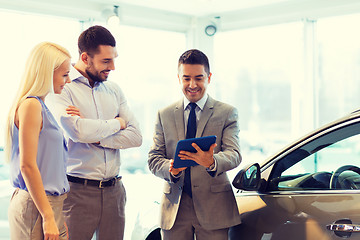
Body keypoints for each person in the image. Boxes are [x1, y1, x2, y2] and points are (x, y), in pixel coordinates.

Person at [49, 25, 142, 240]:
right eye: (106, 61)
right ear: (85, 57)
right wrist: (117, 123)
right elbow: (78, 132)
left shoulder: (114, 90)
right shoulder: (63, 87)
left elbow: (136, 136)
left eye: (114, 59)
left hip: (115, 192)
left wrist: (97, 137)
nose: (113, 67)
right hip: (77, 192)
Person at [148, 49, 242, 240]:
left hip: (214, 208)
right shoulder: (164, 114)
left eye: (199, 78)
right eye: (186, 78)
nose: (192, 85)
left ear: (209, 77)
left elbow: (234, 154)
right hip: (175, 208)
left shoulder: (227, 112)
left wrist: (211, 161)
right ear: (179, 78)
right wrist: (170, 168)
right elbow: (154, 158)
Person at [5, 42, 71, 240]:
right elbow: (27, 165)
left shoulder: (40, 105)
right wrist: (48, 215)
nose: (67, 81)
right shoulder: (31, 105)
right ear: (46, 72)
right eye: (64, 74)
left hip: (48, 204)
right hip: (38, 206)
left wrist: (54, 214)